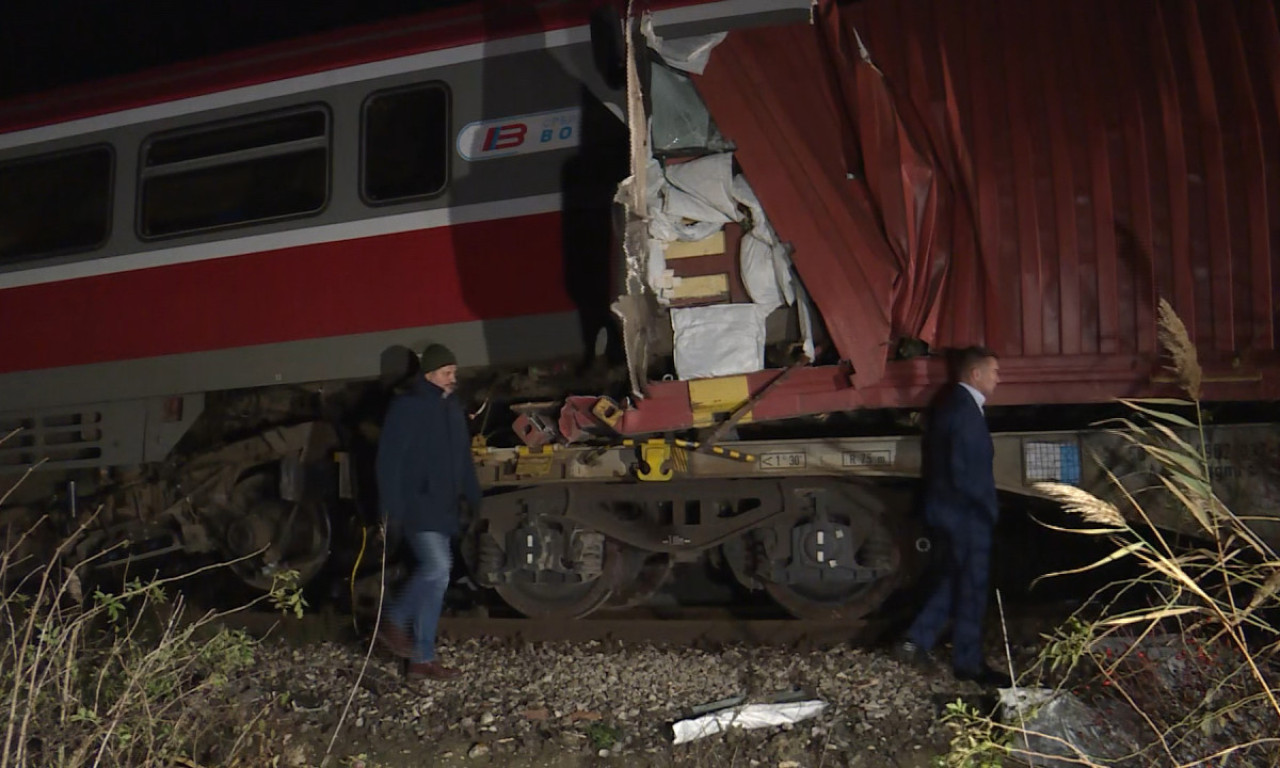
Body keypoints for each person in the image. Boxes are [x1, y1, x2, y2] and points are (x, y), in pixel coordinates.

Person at [895, 345, 1012, 687]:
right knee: (972, 585)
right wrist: (985, 510)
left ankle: (914, 640)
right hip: (964, 515)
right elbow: (964, 472)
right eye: (994, 372)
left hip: (953, 512)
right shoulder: (963, 410)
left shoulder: (956, 406)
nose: (998, 379)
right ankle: (967, 663)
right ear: (975, 374)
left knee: (957, 579)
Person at [375, 343, 480, 681]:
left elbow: (462, 457)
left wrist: (473, 496)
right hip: (418, 504)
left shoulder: (451, 408)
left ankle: (421, 660)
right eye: (447, 372)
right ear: (430, 374)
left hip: (444, 506)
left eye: (454, 372)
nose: (453, 378)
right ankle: (393, 621)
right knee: (437, 568)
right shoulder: (407, 407)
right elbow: (389, 461)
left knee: (437, 581)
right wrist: (391, 508)